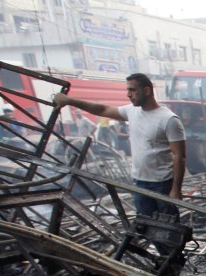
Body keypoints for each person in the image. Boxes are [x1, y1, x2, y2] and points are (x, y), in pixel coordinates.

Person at [53, 73, 186, 224]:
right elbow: (102, 110)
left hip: (162, 183)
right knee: (146, 225)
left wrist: (176, 189)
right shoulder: (132, 111)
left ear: (147, 91)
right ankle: (162, 248)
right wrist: (69, 101)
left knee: (169, 228)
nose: (128, 94)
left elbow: (179, 156)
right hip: (140, 182)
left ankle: (170, 248)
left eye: (132, 90)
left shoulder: (169, 120)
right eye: (128, 90)